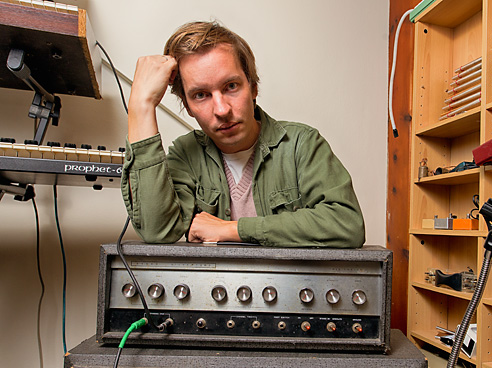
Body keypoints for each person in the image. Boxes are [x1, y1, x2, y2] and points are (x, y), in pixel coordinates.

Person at [122, 21, 365, 248]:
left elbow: (347, 224)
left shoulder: (302, 144)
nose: (222, 110)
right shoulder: (186, 154)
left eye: (231, 86)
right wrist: (141, 106)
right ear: (187, 106)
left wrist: (233, 229)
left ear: (253, 86)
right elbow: (158, 231)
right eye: (201, 95)